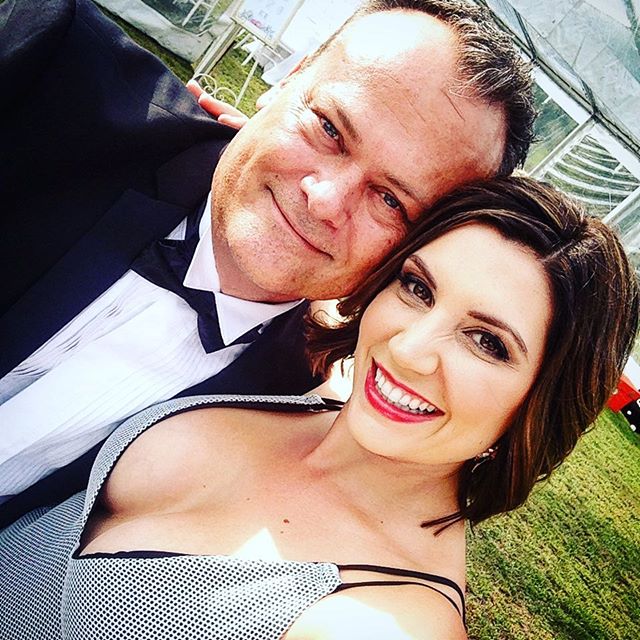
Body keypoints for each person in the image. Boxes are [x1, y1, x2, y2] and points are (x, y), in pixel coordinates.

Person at [1, 176, 637, 639]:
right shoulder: (325, 393)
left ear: (542, 406)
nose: (407, 349)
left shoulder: (382, 619)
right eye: (418, 287)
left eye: (487, 342)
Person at [0, 0, 534, 519]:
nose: (325, 200)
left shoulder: (294, 409)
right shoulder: (48, 65)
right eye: (329, 129)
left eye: (391, 200)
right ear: (286, 81)